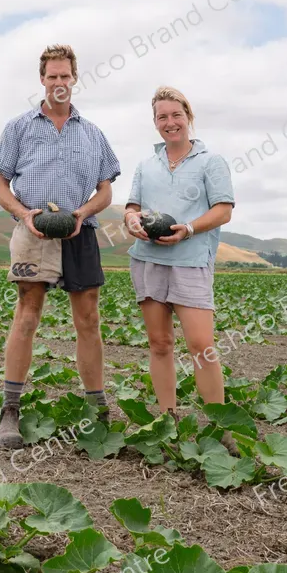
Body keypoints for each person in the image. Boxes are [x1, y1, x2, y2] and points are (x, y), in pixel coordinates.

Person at [0, 44, 121, 450]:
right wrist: (24, 214)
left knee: (88, 320)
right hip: (34, 231)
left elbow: (106, 190)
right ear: (42, 79)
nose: (59, 83)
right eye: (52, 76)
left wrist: (82, 214)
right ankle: (10, 411)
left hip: (79, 230)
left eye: (65, 76)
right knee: (26, 317)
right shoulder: (18, 128)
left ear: (75, 78)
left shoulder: (92, 133)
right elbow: (0, 186)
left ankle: (97, 411)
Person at [123, 86, 235, 418]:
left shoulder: (211, 162)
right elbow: (132, 206)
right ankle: (167, 420)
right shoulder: (146, 165)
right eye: (162, 117)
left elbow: (223, 210)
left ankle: (219, 426)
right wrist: (131, 220)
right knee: (160, 345)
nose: (170, 122)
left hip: (191, 261)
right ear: (155, 121)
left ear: (188, 117)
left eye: (176, 115)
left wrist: (187, 229)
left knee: (202, 347)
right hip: (148, 260)